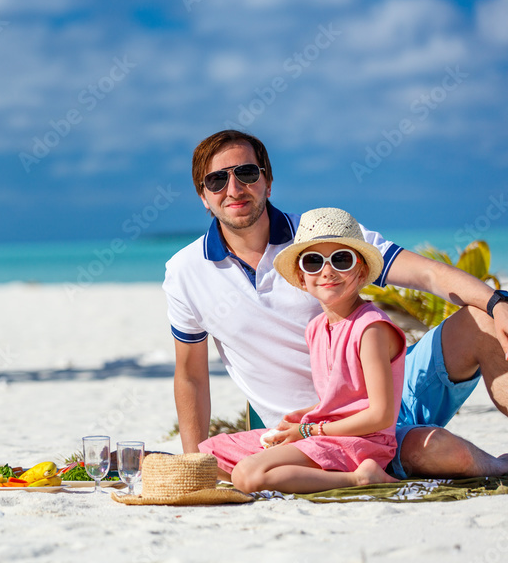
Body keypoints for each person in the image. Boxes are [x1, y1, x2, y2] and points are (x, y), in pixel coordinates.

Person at [164, 129, 508, 479]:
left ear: (267, 182)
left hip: (393, 393)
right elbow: (191, 375)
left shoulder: (324, 235)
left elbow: (428, 275)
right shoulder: (184, 272)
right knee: (438, 454)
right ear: (203, 196)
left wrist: (498, 303)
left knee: (484, 319)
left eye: (247, 173)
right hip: (314, 431)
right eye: (217, 180)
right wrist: (196, 468)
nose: (234, 189)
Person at [199, 207, 405, 493]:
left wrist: (309, 430)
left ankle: (359, 477)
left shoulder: (370, 329)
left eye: (341, 259)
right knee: (208, 455)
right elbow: (343, 398)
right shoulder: (317, 327)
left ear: (361, 270)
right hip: (326, 432)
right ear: (301, 276)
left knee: (247, 475)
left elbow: (380, 415)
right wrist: (303, 417)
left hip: (361, 441)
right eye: (313, 262)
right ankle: (290, 468)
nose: (328, 271)